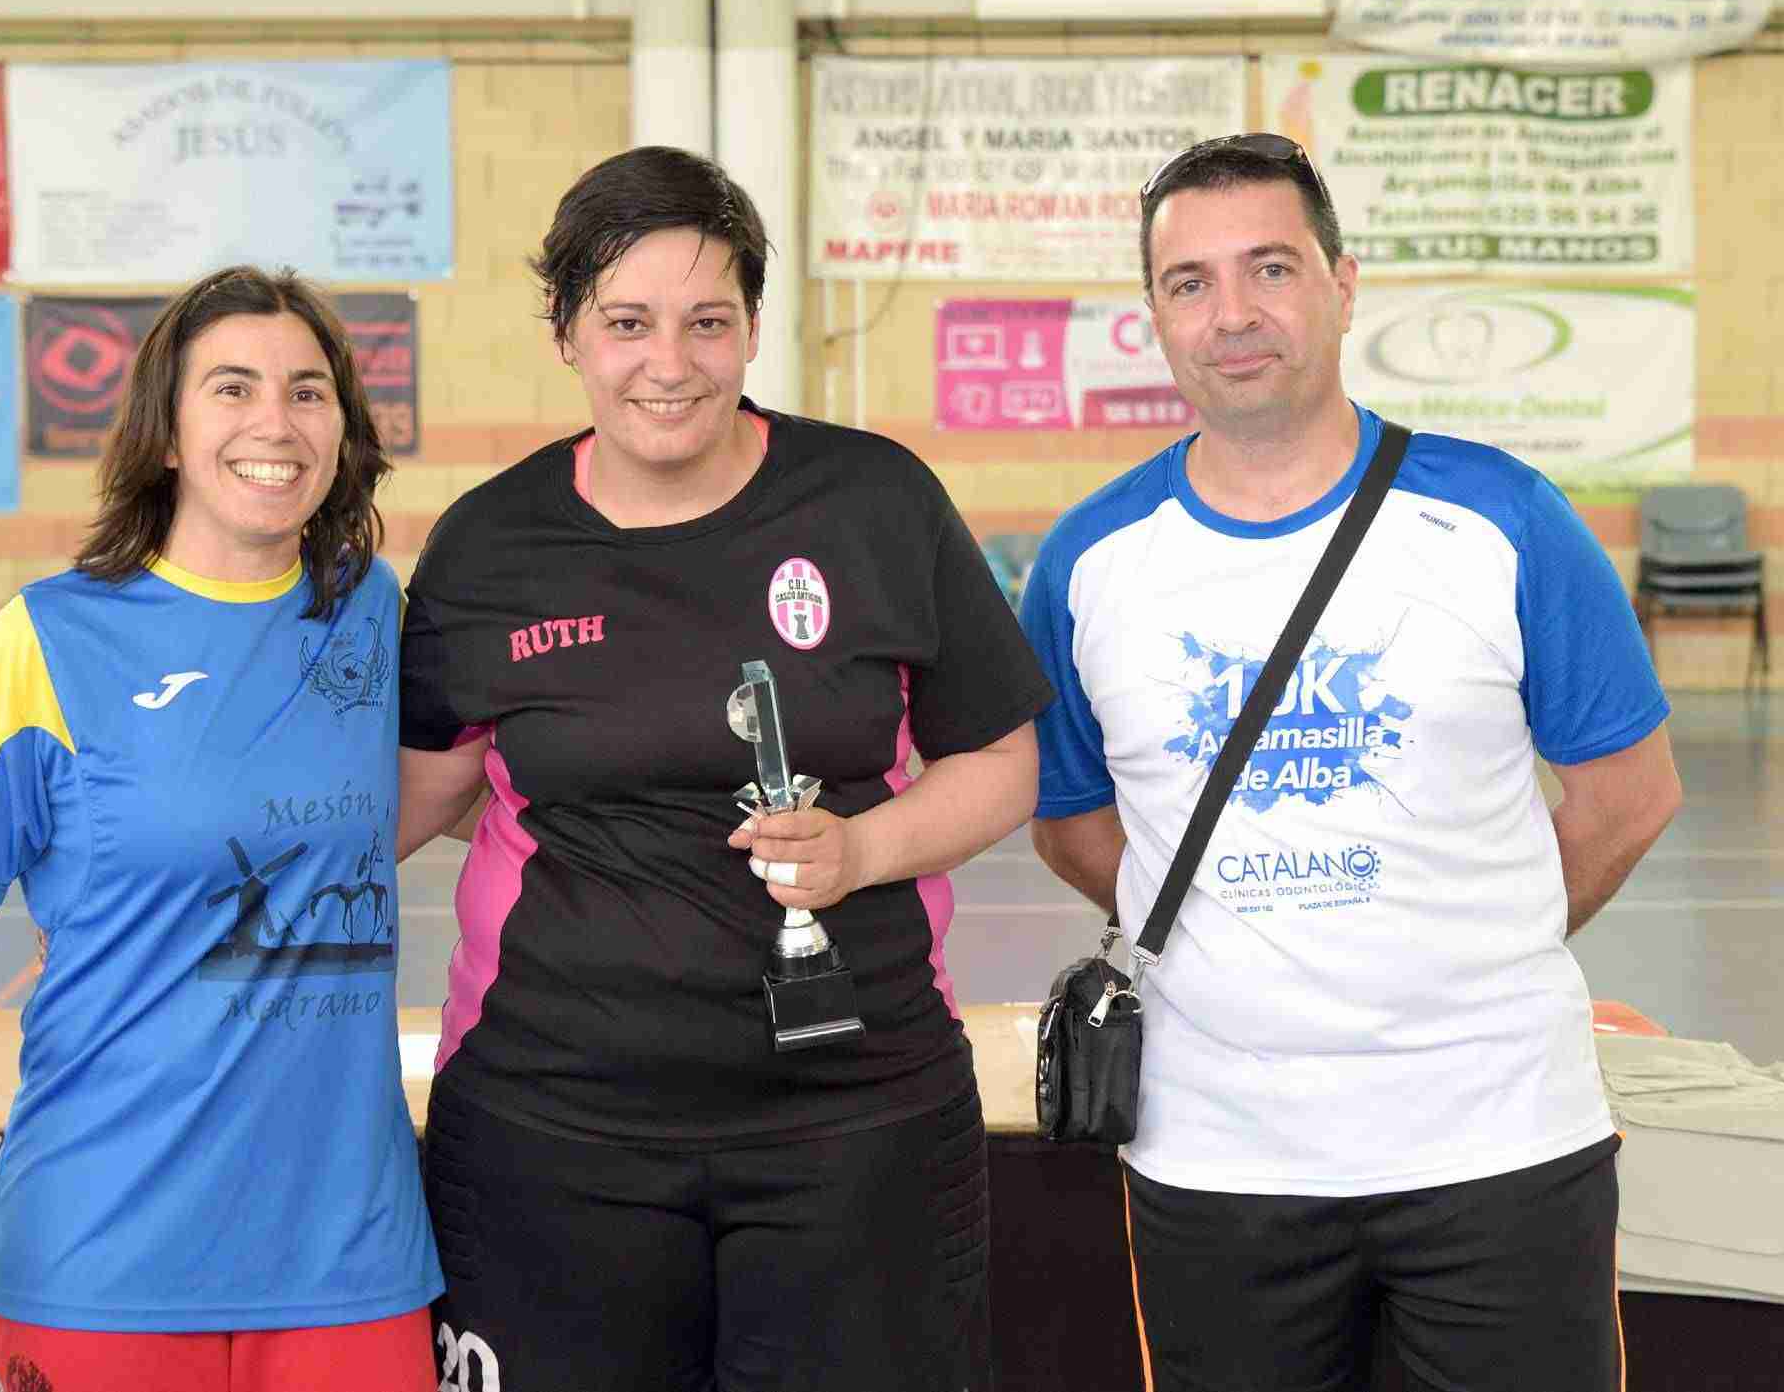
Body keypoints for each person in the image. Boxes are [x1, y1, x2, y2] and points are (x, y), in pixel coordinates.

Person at [1019, 133, 1683, 1392]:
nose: (1232, 315)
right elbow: (1070, 819)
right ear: (1153, 316)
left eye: (1269, 267)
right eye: (1189, 282)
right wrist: (1238, 950)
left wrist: (1461, 947)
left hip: (1496, 1146)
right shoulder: (1088, 561)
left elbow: (1629, 792)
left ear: (1341, 280)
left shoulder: (1500, 518)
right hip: (1218, 1163)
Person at [394, 145, 1053, 1392]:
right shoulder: (490, 544)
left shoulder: (874, 501)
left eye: (707, 321)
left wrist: (862, 850)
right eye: (627, 322)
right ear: (566, 334)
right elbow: (400, 799)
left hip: (856, 1124)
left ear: (752, 328)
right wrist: (157, 899)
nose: (668, 362)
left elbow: (999, 762)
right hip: (553, 1129)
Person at [0, 265, 441, 1392]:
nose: (276, 421)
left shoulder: (375, 615)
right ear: (165, 431)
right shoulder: (43, 642)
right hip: (100, 1254)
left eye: (309, 392)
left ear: (343, 429)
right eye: (232, 388)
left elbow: (426, 791)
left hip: (346, 1264)